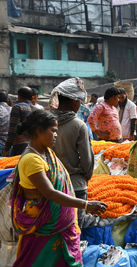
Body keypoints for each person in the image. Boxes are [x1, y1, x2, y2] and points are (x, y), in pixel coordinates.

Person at [10, 110, 107, 266]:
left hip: (59, 222)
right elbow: (50, 193)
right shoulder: (31, 160)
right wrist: (86, 205)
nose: (56, 135)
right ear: (38, 131)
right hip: (43, 222)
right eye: (53, 131)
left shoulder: (47, 153)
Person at [49, 78, 95, 225]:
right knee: (75, 230)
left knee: (54, 228)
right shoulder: (78, 125)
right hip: (75, 185)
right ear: (75, 102)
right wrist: (85, 176)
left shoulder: (46, 122)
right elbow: (87, 160)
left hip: (50, 184)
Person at [3, 87, 36, 156]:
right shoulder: (37, 109)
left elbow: (13, 130)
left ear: (19, 96)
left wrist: (6, 148)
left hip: (20, 145)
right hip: (34, 145)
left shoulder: (17, 107)